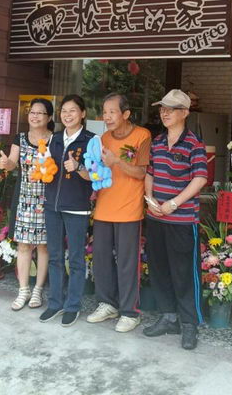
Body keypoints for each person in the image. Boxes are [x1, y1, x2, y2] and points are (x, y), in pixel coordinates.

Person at [143, 89, 208, 350]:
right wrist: (150, 199)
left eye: (170, 109)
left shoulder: (194, 143)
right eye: (162, 109)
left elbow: (200, 178)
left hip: (182, 220)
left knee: (184, 273)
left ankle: (190, 324)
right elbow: (150, 172)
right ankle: (168, 317)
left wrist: (173, 203)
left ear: (185, 113)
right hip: (156, 217)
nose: (164, 113)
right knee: (159, 269)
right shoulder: (157, 142)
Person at [87, 93, 151, 333]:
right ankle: (107, 304)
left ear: (126, 114)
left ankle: (130, 312)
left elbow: (142, 172)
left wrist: (116, 161)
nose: (107, 117)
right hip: (104, 207)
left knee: (127, 263)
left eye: (112, 112)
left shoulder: (142, 135)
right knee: (101, 259)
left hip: (129, 209)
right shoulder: (103, 138)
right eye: (104, 112)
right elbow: (97, 169)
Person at [38, 95, 95, 327]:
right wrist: (41, 169)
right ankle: (55, 303)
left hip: (77, 208)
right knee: (54, 256)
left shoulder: (91, 140)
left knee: (76, 259)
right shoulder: (54, 138)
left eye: (73, 110)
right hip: (52, 206)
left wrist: (78, 166)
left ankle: (72, 306)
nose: (67, 115)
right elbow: (47, 169)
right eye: (64, 111)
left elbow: (95, 175)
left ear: (83, 114)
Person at [0, 98, 53, 311]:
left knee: (44, 246)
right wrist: (5, 163)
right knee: (23, 245)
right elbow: (12, 163)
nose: (35, 116)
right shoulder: (20, 138)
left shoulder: (55, 139)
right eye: (32, 112)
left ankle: (38, 289)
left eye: (40, 113)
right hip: (24, 199)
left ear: (49, 117)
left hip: (47, 199)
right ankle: (23, 290)